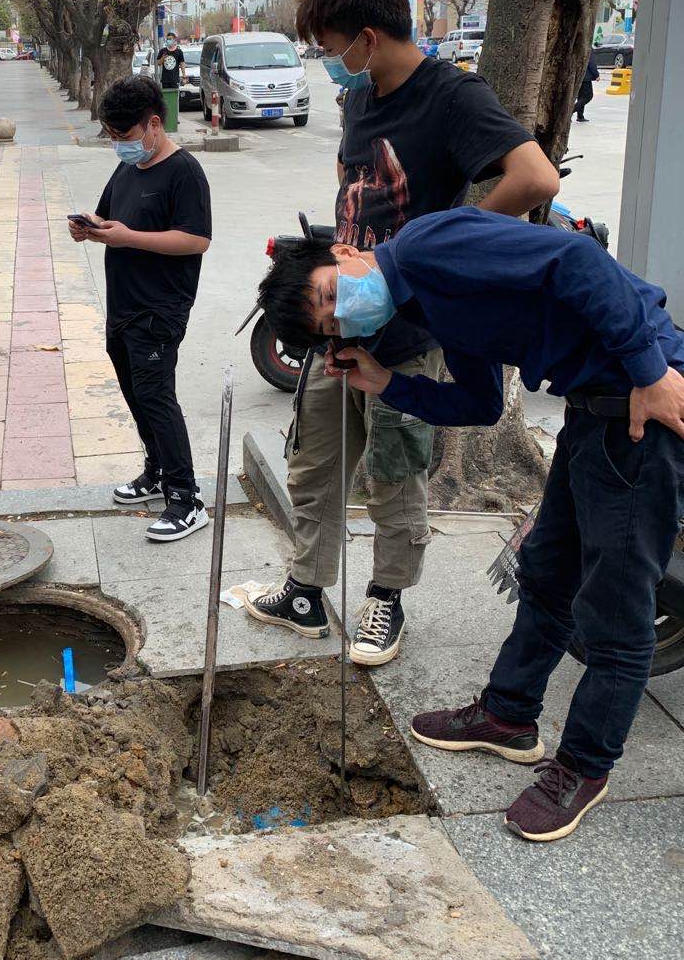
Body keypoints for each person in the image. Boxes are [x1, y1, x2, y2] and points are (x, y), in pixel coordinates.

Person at [257, 207, 684, 842]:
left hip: (638, 409)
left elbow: (579, 260)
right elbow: (482, 405)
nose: (343, 312)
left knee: (616, 614)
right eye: (331, 322)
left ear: (343, 253)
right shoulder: (427, 304)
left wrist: (651, 374)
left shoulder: (428, 248)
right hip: (592, 410)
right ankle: (509, 715)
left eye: (329, 293)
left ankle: (583, 769)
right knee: (546, 575)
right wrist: (385, 384)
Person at [245, 0, 558, 666]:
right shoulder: (358, 99)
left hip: (409, 332)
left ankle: (386, 601)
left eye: (330, 47)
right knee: (316, 463)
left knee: (394, 469)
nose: (328, 61)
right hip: (338, 327)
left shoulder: (450, 96)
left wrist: (441, 247)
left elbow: (534, 176)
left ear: (369, 36)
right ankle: (303, 590)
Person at [70, 75, 212, 542]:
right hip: (123, 305)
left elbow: (196, 239)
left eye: (124, 136)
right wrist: (88, 227)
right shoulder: (128, 169)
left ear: (154, 124)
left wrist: (127, 237)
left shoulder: (184, 171)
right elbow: (109, 216)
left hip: (160, 308)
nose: (119, 145)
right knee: (135, 394)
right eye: (111, 137)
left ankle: (187, 498)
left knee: (156, 396)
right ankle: (155, 471)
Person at [574, 52, 599, 122]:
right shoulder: (588, 48)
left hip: (578, 76)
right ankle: (571, 110)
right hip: (586, 77)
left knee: (581, 97)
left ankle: (580, 116)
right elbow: (591, 64)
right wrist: (596, 75)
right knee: (588, 96)